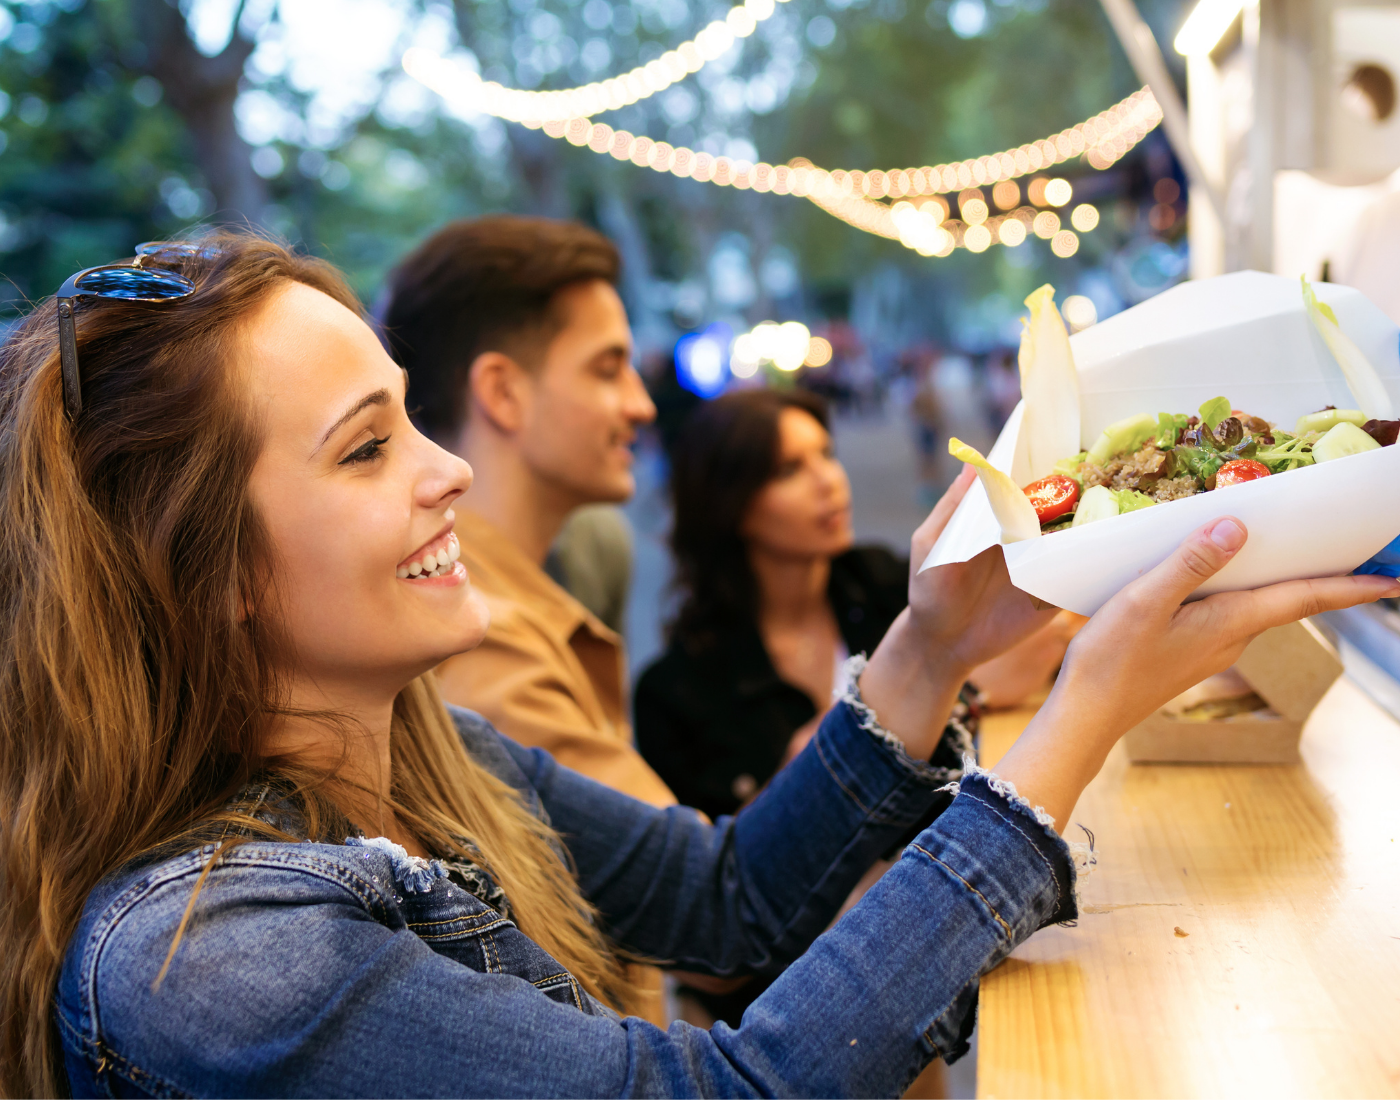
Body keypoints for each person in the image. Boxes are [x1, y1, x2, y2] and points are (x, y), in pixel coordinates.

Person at [3, 233, 1391, 1098]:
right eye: (367, 449)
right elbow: (744, 1090)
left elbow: (723, 898)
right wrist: (1074, 725)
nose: (443, 478)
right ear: (206, 572)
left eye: (413, 423)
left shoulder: (423, 744)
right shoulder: (215, 959)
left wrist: (935, 645)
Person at [636, 388, 1074, 825]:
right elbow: (712, 871)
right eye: (789, 469)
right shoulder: (676, 693)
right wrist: (954, 690)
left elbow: (1027, 644)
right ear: (730, 504)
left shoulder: (885, 583)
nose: (828, 479)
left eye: (825, 453)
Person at [380, 216, 671, 808]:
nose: (641, 405)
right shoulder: (476, 635)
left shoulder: (542, 574)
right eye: (608, 369)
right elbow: (703, 888)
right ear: (503, 393)